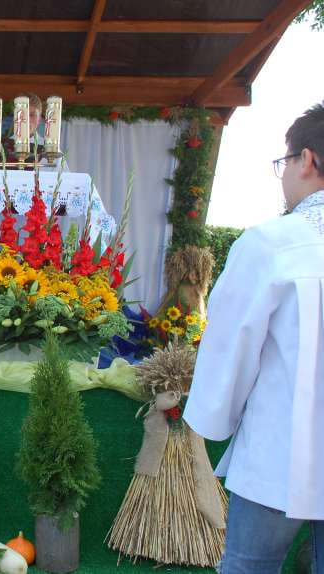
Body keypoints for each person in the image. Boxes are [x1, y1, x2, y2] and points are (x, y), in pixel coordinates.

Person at [183, 102, 324, 573]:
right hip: (282, 449)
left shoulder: (273, 243)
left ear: (306, 160)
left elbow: (232, 348)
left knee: (249, 567)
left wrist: (213, 420)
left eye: (284, 163)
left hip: (283, 450)